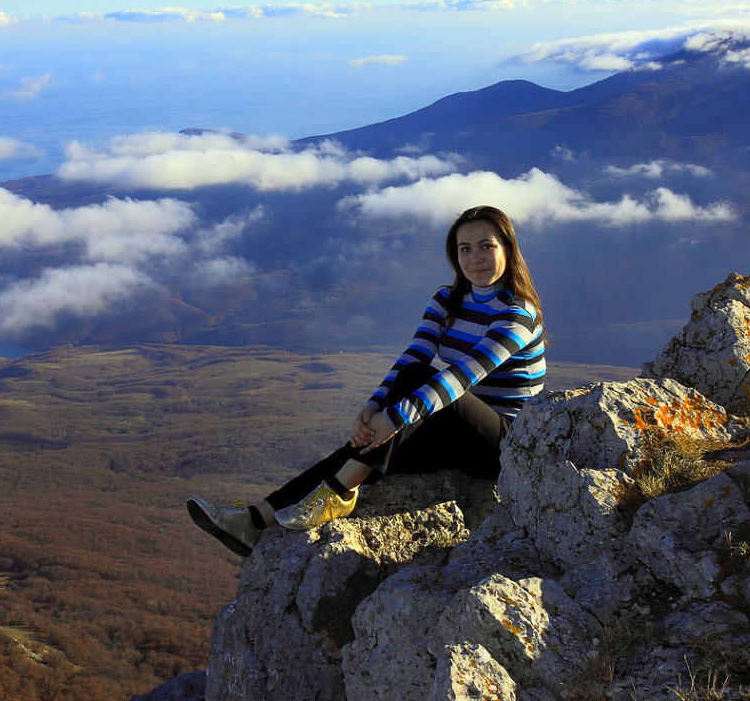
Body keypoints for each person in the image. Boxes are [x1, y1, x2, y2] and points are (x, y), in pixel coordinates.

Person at [187, 205, 546, 557]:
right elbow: (412, 357)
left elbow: (461, 377)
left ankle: (338, 493)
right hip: (457, 430)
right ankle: (256, 520)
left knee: (411, 397)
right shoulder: (446, 300)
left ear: (507, 249)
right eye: (464, 249)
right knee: (371, 439)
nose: (475, 257)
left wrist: (391, 418)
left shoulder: (517, 313)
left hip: (506, 445)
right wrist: (373, 406)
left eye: (487, 246)